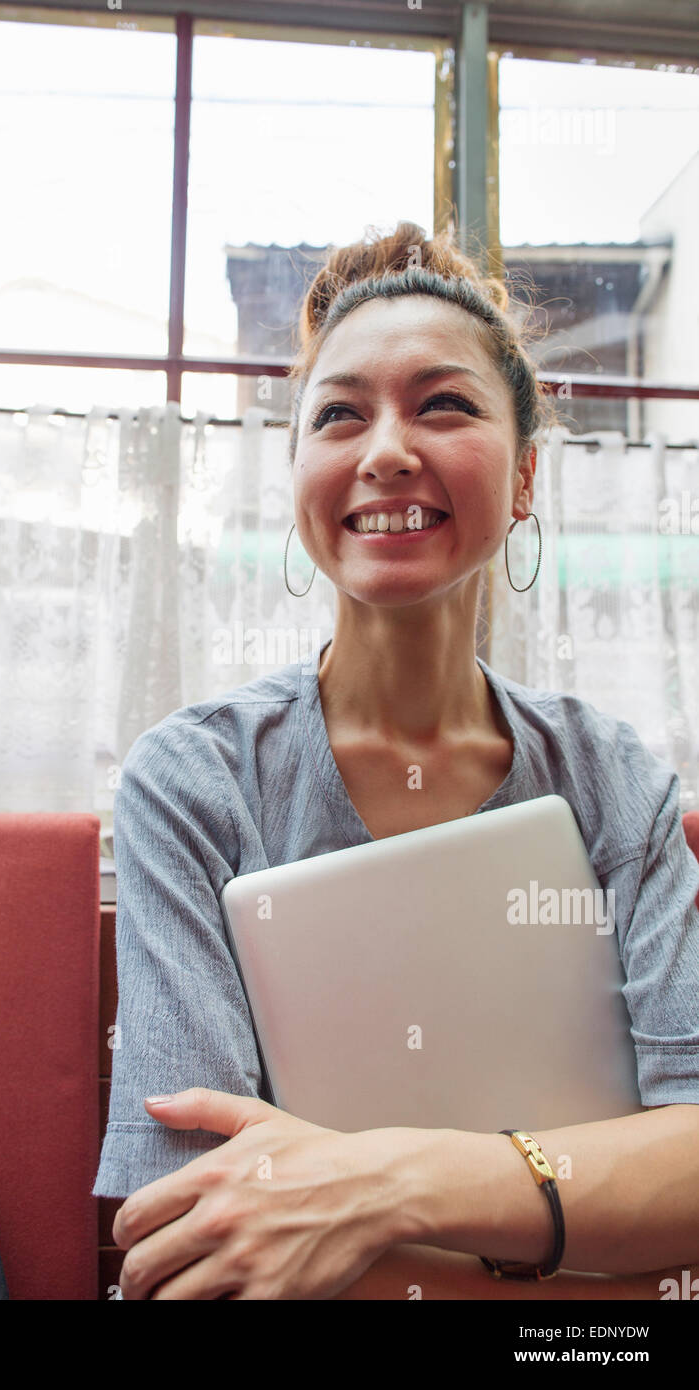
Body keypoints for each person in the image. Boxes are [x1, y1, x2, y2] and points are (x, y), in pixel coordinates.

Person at [92, 221, 699, 1300]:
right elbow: (191, 1230)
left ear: (521, 478)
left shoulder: (618, 786)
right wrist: (586, 1222)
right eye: (337, 414)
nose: (382, 451)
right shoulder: (192, 781)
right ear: (299, 480)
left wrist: (378, 1184)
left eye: (443, 403)